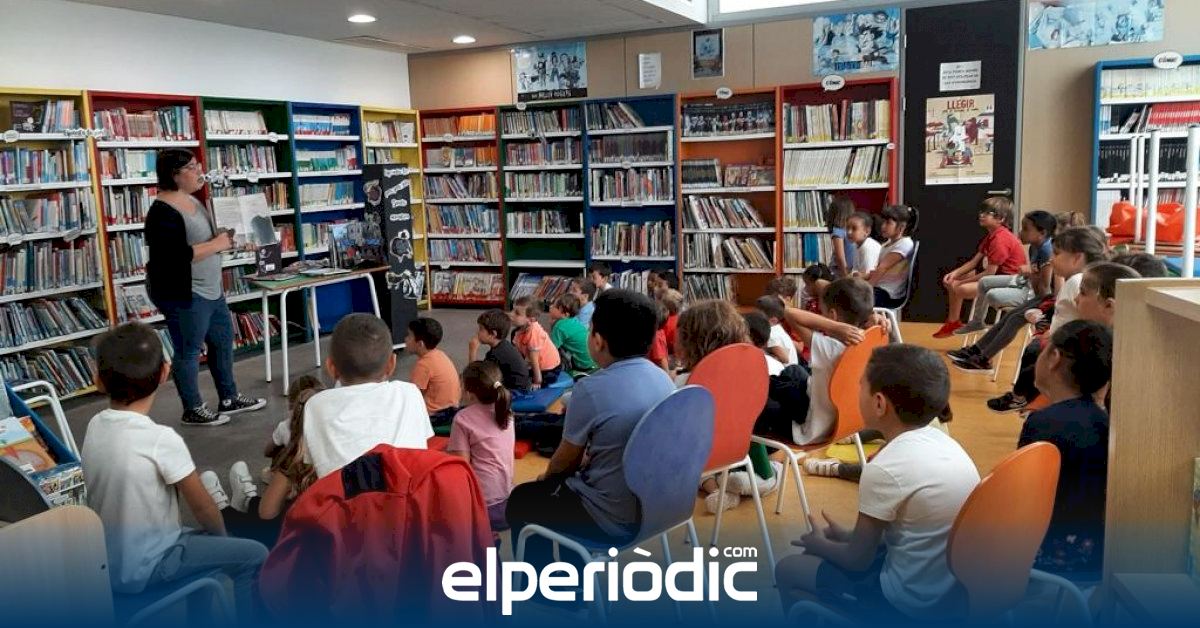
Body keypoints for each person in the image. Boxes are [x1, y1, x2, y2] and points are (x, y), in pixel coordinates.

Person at [776, 344, 978, 621]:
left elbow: (856, 561)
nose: (856, 392)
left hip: (906, 604)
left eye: (861, 386)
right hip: (950, 591)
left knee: (787, 569)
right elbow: (911, 533)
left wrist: (818, 544)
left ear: (880, 404)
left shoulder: (885, 468)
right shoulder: (946, 443)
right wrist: (848, 536)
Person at [82, 323, 268, 617]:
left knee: (201, 546)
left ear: (98, 380)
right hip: (151, 565)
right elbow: (204, 507)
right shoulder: (160, 440)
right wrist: (224, 540)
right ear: (164, 372)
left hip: (109, 565)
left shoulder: (95, 425)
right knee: (254, 555)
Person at [506, 289, 675, 569]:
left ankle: (541, 585)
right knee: (564, 491)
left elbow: (564, 463)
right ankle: (576, 572)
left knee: (523, 499)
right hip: (661, 508)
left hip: (611, 518)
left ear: (597, 341)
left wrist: (544, 479)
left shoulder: (591, 390)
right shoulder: (663, 379)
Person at [143, 148, 264, 426]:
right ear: (174, 175)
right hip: (184, 292)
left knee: (222, 341)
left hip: (211, 288)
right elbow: (174, 257)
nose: (199, 171)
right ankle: (192, 408)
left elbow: (208, 241)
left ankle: (229, 398)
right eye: (192, 168)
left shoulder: (193, 201)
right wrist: (217, 244)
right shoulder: (162, 212)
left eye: (198, 165)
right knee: (189, 349)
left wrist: (230, 240)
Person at [1021, 320, 1113, 580]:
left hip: (1049, 558)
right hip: (1094, 555)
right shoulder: (1104, 421)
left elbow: (1024, 502)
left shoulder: (1043, 423)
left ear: (1054, 357)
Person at [952, 226, 1108, 377]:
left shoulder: (1076, 282)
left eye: (1057, 254)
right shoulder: (1074, 279)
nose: (1051, 259)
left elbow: (1083, 321)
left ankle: (985, 359)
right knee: (1015, 317)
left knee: (1030, 347)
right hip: (1054, 336)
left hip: (1060, 346)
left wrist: (1047, 329)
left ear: (1077, 258)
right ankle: (980, 352)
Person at [675, 300, 781, 512]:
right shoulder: (751, 371)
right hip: (739, 448)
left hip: (697, 456)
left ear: (689, 342)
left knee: (691, 455)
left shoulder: (685, 382)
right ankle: (761, 479)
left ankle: (716, 490)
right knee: (749, 430)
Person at [303, 314, 433, 478]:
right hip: (408, 492)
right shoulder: (409, 393)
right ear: (392, 364)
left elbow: (313, 462)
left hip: (341, 494)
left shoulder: (315, 406)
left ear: (330, 367)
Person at [202, 375, 323, 548]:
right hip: (334, 536)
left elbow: (267, 513)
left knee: (267, 525)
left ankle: (223, 513)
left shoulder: (295, 460)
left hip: (300, 543)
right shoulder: (347, 454)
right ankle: (248, 501)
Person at [933, 197, 1027, 338]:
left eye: (988, 213)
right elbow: (973, 262)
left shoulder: (1000, 239)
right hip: (995, 278)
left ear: (1001, 218)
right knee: (956, 279)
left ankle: (972, 322)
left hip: (1009, 283)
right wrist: (955, 274)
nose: (982, 215)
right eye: (982, 211)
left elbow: (989, 275)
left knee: (960, 289)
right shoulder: (992, 236)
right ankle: (953, 322)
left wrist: (960, 283)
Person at [955, 209, 1057, 336]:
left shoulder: (1047, 251)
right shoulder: (1033, 247)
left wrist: (1041, 309)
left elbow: (1044, 288)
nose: (1020, 233)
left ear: (1042, 233)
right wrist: (1029, 273)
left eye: (1025, 229)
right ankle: (977, 322)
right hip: (1024, 281)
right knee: (984, 282)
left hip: (1032, 293)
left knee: (992, 295)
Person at [447, 361, 515, 536]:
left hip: (484, 506)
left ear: (469, 393)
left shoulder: (463, 419)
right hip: (508, 499)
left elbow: (460, 468)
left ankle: (487, 541)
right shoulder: (506, 412)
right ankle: (491, 540)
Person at [406, 317, 462, 427]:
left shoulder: (423, 365)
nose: (405, 339)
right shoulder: (439, 354)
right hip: (452, 410)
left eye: (409, 336)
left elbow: (412, 397)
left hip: (435, 416)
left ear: (420, 344)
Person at [861, 204, 918, 309]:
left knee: (853, 297)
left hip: (888, 294)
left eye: (888, 223)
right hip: (879, 288)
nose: (883, 226)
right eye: (883, 222)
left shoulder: (905, 243)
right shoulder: (887, 244)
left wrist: (866, 289)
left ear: (901, 228)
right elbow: (878, 270)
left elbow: (882, 268)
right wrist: (860, 278)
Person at [469, 309, 532, 393]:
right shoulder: (503, 345)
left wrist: (472, 350)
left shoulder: (496, 354)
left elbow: (475, 376)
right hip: (521, 387)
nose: (477, 332)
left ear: (493, 334)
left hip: (516, 393)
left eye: (481, 329)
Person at [510, 296, 563, 388]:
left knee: (520, 382)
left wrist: (537, 381)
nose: (511, 314)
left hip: (549, 370)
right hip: (533, 363)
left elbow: (534, 361)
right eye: (512, 310)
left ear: (531, 319)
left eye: (517, 313)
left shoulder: (534, 334)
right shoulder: (518, 331)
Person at [548, 293, 598, 374]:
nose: (550, 307)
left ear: (564, 313)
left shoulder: (560, 326)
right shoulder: (574, 319)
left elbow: (551, 349)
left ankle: (565, 369)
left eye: (554, 306)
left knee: (554, 351)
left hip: (582, 365)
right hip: (593, 360)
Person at [755, 294, 799, 366]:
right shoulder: (777, 328)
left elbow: (785, 359)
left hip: (785, 370)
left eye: (759, 317)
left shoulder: (771, 334)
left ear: (773, 320)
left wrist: (766, 357)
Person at [826, 196, 857, 277]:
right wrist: (846, 275)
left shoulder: (844, 230)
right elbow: (840, 257)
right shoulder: (838, 231)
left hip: (847, 271)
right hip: (840, 272)